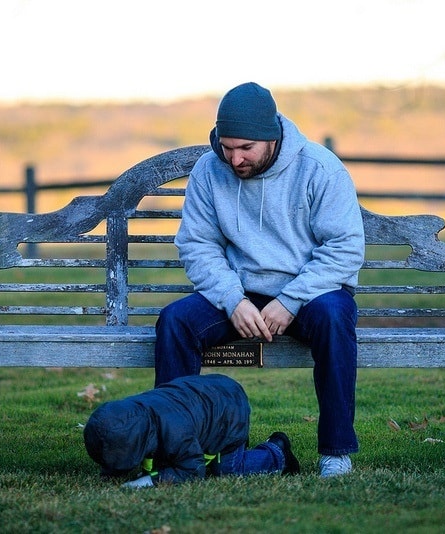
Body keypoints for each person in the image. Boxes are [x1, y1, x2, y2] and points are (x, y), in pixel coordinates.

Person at [155, 82, 365, 478]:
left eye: (245, 148)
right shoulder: (208, 171)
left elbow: (344, 248)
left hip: (311, 291)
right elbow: (198, 245)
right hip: (240, 290)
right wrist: (233, 300)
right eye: (226, 146)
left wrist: (290, 301)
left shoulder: (320, 169)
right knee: (175, 322)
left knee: (336, 317)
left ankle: (336, 452)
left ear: (272, 137)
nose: (234, 159)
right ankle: (176, 454)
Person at [83, 373, 300, 487]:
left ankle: (277, 452)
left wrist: (149, 481)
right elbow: (116, 439)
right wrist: (110, 473)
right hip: (208, 394)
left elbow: (193, 469)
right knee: (164, 460)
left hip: (229, 411)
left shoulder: (176, 431)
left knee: (225, 469)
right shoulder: (133, 415)